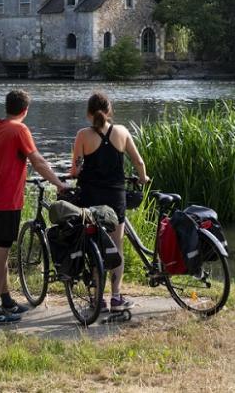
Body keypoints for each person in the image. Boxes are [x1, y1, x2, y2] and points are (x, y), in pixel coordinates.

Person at [0, 89, 68, 326]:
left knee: (1, 251)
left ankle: (6, 301)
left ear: (7, 106)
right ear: (25, 110)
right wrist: (59, 183)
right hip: (6, 201)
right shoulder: (20, 129)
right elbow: (37, 160)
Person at [70, 92, 150, 313]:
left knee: (94, 246)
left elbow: (75, 169)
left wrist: (76, 172)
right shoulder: (122, 132)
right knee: (116, 247)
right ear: (109, 111)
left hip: (91, 199)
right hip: (116, 198)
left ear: (89, 112)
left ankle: (97, 300)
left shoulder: (82, 135)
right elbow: (139, 162)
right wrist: (143, 178)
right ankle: (116, 297)